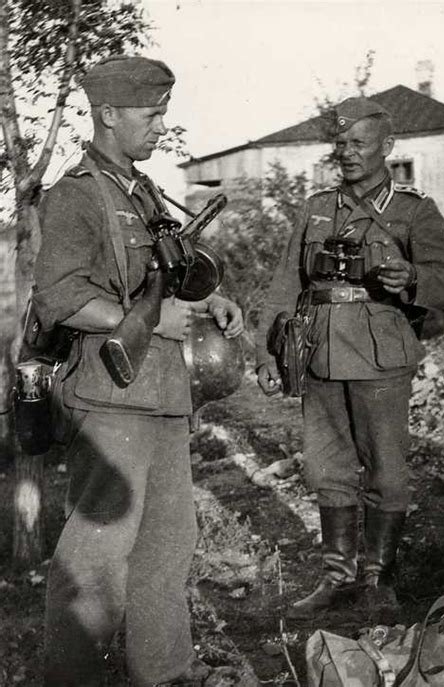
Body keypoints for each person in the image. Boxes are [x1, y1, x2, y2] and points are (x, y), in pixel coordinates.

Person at [33, 55, 243, 686]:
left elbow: (166, 278)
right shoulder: (76, 195)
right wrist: (151, 320)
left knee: (167, 548)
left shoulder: (144, 193)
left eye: (163, 113)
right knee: (97, 559)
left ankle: (165, 671)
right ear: (109, 115)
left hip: (164, 395)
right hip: (111, 395)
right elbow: (61, 297)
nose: (160, 125)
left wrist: (208, 303)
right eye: (151, 115)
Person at [256, 97, 444, 619]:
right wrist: (268, 350)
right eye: (341, 144)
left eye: (358, 144)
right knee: (328, 467)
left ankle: (378, 580)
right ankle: (336, 579)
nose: (347, 153)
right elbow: (287, 281)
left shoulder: (414, 209)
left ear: (387, 148)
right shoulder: (316, 206)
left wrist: (411, 278)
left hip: (379, 352)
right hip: (317, 350)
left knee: (386, 471)